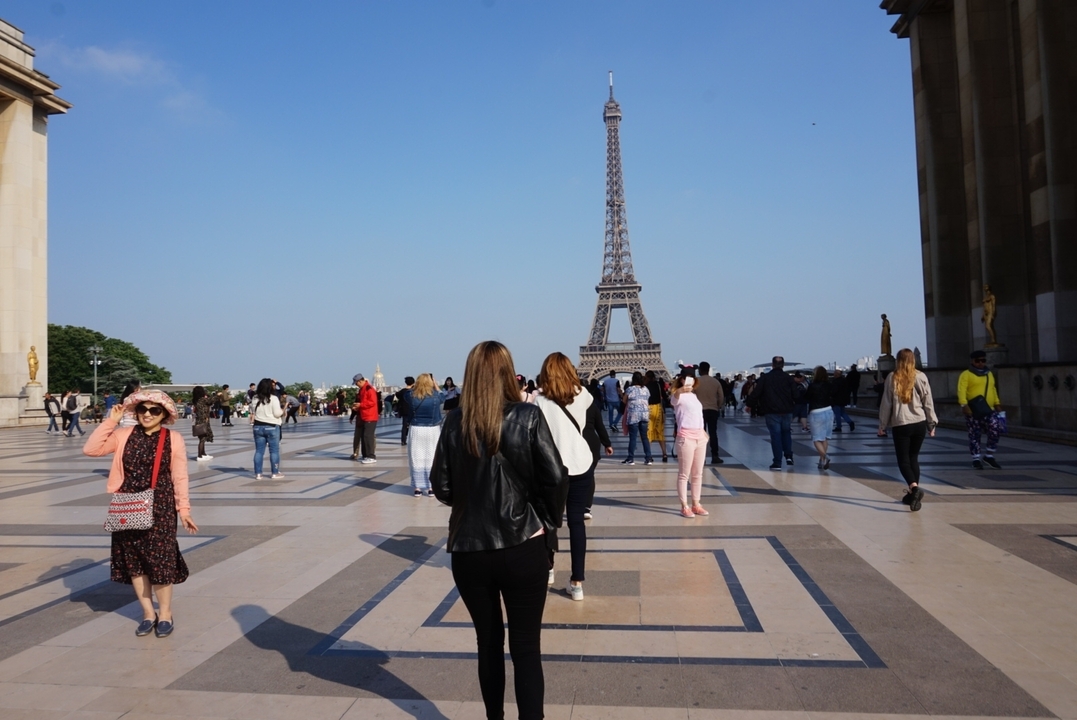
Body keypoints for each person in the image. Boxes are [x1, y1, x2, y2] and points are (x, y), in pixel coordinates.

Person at [431, 341, 568, 720]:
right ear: (509, 373)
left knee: (488, 644)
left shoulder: (454, 421)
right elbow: (556, 477)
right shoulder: (527, 416)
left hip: (469, 549)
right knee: (526, 648)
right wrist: (546, 520)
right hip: (523, 544)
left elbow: (441, 486)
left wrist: (471, 502)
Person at [83, 389, 198, 638]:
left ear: (164, 414)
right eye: (143, 409)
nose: (147, 414)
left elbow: (179, 476)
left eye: (154, 410)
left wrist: (184, 509)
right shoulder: (124, 434)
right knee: (135, 563)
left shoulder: (173, 438)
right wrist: (111, 421)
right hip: (128, 505)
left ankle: (165, 613)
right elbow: (91, 449)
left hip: (161, 506)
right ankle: (148, 613)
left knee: (160, 561)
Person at [534, 353, 612, 602]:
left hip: (552, 468)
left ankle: (548, 568)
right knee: (577, 523)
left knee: (550, 522)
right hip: (581, 463)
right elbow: (593, 423)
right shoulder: (585, 396)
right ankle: (577, 582)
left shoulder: (540, 401)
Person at [878, 348, 938, 511]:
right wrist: (931, 423)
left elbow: (887, 403)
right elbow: (928, 401)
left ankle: (914, 488)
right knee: (913, 458)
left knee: (903, 460)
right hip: (919, 422)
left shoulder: (892, 377)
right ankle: (913, 496)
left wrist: (882, 425)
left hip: (901, 423)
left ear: (898, 361)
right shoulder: (921, 376)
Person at [748, 357, 798, 470]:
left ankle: (777, 462)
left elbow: (757, 392)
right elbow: (796, 395)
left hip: (771, 411)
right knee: (786, 433)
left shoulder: (766, 378)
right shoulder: (788, 378)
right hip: (787, 410)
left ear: (772, 364)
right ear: (783, 365)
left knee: (776, 436)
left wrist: (749, 404)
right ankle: (789, 456)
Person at [670, 375, 709, 518]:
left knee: (698, 474)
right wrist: (679, 391)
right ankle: (684, 506)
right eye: (687, 378)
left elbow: (697, 415)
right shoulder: (677, 395)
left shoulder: (694, 395)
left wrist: (704, 433)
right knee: (684, 474)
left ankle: (696, 504)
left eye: (692, 378)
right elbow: (673, 401)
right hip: (686, 437)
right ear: (681, 379)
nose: (690, 380)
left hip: (699, 437)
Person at [957, 349, 1004, 469]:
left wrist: (997, 403)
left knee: (995, 429)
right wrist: (964, 404)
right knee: (975, 434)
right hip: (973, 409)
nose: (980, 363)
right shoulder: (966, 374)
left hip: (989, 408)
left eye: (983, 360)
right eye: (978, 361)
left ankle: (989, 455)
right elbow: (961, 390)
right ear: (972, 361)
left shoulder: (989, 374)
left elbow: (993, 389)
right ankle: (976, 458)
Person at [405, 374, 444, 496]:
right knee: (432, 457)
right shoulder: (436, 396)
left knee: (416, 457)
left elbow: (405, 394)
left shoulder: (411, 396)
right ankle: (431, 487)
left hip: (417, 429)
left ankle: (418, 487)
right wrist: (436, 385)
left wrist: (415, 386)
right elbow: (443, 396)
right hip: (432, 430)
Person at [250, 378, 284, 479]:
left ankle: (258, 473)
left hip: (258, 427)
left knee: (259, 451)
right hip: (272, 426)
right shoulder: (273, 398)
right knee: (274, 451)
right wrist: (282, 410)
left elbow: (253, 410)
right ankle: (275, 472)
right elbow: (277, 414)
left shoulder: (255, 398)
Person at [803, 367, 834, 469]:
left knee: (816, 439)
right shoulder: (829, 385)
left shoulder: (812, 386)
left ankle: (825, 456)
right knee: (824, 438)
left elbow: (806, 398)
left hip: (816, 412)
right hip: (829, 411)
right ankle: (822, 461)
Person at [695, 362, 725, 465]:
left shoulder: (696, 382)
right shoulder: (715, 382)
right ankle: (715, 456)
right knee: (713, 434)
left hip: (699, 411)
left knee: (700, 435)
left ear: (700, 370)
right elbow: (721, 396)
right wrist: (717, 405)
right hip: (712, 409)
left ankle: (701, 457)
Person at [621, 371, 652, 465]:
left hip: (633, 415)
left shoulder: (630, 389)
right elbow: (648, 398)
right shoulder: (646, 389)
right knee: (644, 438)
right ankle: (648, 458)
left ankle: (630, 458)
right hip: (644, 415)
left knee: (633, 438)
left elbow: (624, 400)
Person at [351, 374, 379, 463]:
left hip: (370, 416)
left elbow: (372, 402)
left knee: (368, 436)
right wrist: (358, 407)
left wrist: (361, 405)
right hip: (364, 416)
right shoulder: (362, 389)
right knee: (364, 437)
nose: (356, 385)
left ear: (360, 381)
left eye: (356, 383)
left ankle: (371, 456)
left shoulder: (369, 389)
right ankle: (365, 455)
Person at [644, 370, 669, 462]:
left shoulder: (645, 387)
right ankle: (664, 454)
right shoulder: (658, 385)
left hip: (648, 409)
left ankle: (649, 455)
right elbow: (664, 396)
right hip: (658, 409)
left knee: (649, 432)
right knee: (660, 432)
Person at [190, 386, 215, 461]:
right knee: (202, 439)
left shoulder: (196, 400)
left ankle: (203, 453)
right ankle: (200, 456)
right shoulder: (202, 400)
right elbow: (211, 400)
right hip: (203, 420)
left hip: (200, 420)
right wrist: (217, 395)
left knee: (202, 439)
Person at [397, 377, 415, 446]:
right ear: (413, 383)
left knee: (404, 426)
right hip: (412, 410)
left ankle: (403, 440)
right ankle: (412, 440)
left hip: (404, 410)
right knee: (412, 426)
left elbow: (397, 395)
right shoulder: (413, 391)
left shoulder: (402, 391)